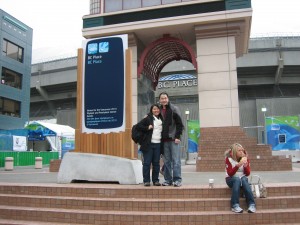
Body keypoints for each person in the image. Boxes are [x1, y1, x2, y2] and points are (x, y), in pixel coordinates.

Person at [159, 92, 184, 187]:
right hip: (164, 140)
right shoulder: (159, 110)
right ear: (160, 100)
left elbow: (179, 124)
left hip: (173, 139)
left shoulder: (174, 109)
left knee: (176, 160)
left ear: (168, 99)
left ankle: (177, 180)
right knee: (167, 161)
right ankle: (168, 180)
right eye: (162, 98)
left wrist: (178, 137)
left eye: (165, 98)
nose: (164, 100)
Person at [224, 143, 256, 213]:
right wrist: (238, 165)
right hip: (231, 179)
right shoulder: (228, 159)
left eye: (242, 150)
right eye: (239, 150)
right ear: (235, 152)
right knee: (237, 179)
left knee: (244, 179)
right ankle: (235, 205)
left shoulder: (245, 158)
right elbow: (230, 173)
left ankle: (251, 204)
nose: (241, 152)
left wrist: (245, 166)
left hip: (242, 178)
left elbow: (247, 174)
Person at [136, 104, 163, 187]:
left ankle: (156, 180)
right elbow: (138, 126)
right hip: (149, 144)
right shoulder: (148, 118)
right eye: (154, 109)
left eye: (157, 109)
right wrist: (147, 127)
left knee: (156, 163)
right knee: (147, 163)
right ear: (151, 110)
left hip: (158, 144)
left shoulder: (162, 118)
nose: (156, 110)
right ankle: (146, 181)